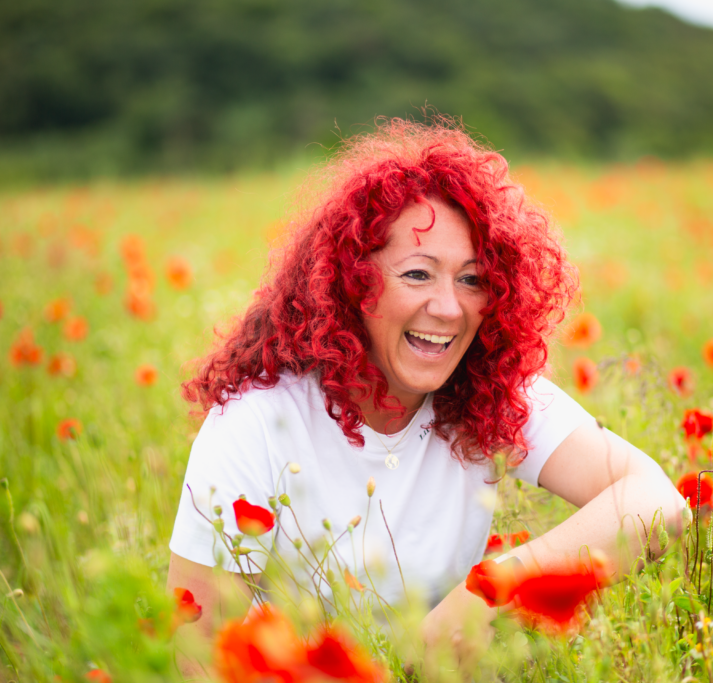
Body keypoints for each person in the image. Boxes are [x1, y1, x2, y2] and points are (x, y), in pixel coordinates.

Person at [166, 119, 685, 676]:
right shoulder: (258, 421)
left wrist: (496, 588)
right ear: (352, 282)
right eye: (418, 274)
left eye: (472, 280)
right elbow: (196, 659)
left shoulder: (490, 390)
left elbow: (656, 501)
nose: (448, 308)